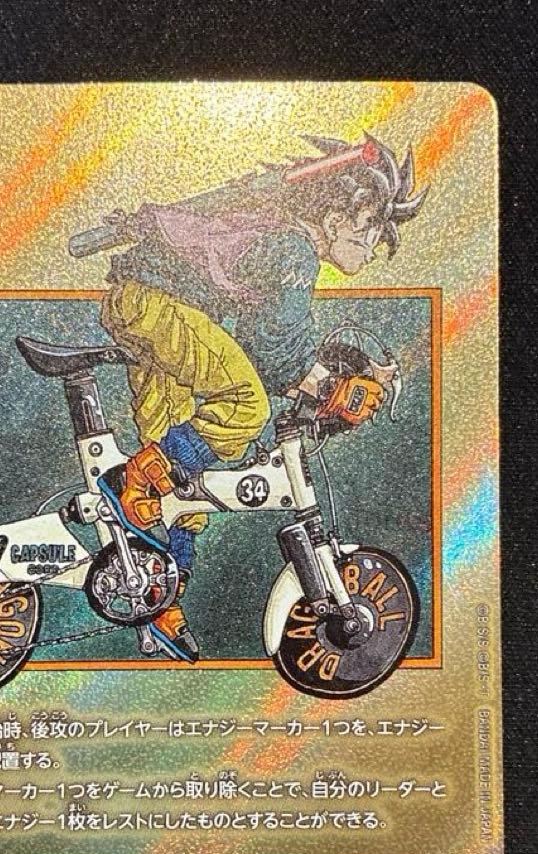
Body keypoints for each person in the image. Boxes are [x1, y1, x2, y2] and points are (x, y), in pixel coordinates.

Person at [99, 135, 427, 660]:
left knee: (184, 493)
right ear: (338, 216)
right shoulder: (293, 250)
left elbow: (270, 339)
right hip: (154, 306)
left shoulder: (281, 240)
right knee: (244, 406)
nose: (373, 246)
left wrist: (336, 375)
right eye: (371, 227)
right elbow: (274, 352)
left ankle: (158, 603)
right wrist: (331, 388)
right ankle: (127, 484)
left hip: (149, 308)